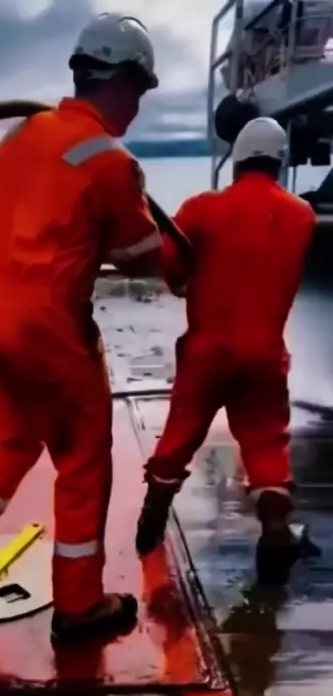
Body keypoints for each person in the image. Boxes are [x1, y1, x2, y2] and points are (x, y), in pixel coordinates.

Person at [0, 13, 166, 642]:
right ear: (121, 81)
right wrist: (187, 267)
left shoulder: (20, 138)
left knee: (16, 438)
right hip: (54, 335)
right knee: (83, 461)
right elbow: (141, 255)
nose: (137, 106)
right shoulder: (109, 160)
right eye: (139, 90)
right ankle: (80, 605)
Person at [136, 117, 316, 581]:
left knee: (179, 436)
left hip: (207, 351)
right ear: (279, 162)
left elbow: (171, 265)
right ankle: (275, 532)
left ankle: (149, 526)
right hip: (264, 354)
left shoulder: (202, 208)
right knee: (265, 444)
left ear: (236, 161)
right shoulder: (301, 215)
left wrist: (184, 278)